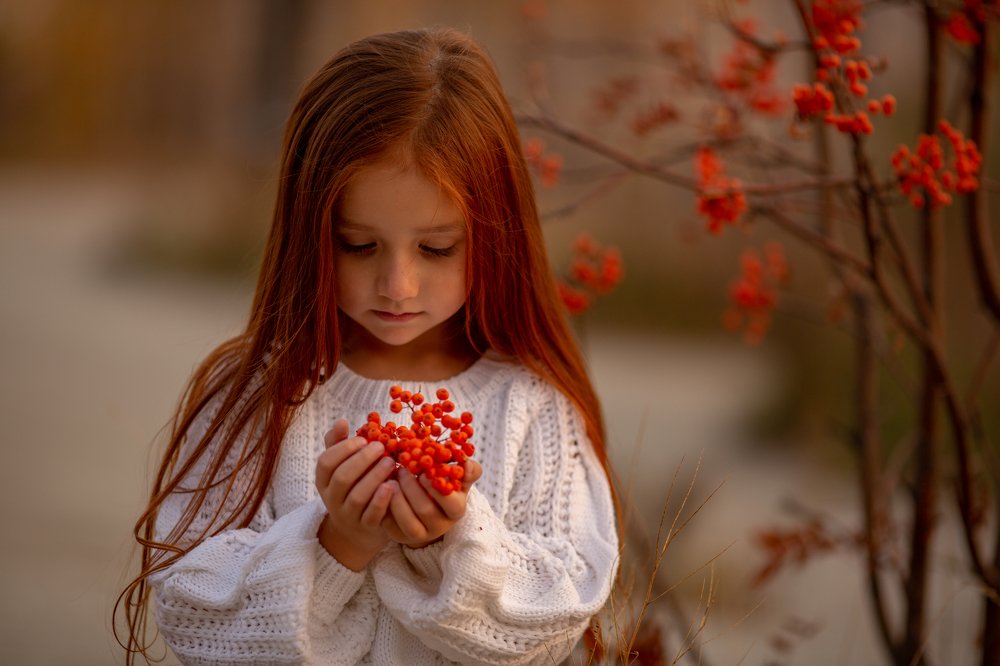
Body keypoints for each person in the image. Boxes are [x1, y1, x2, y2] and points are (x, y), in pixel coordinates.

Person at [116, 27, 619, 665]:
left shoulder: (533, 409)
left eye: (437, 248)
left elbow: (556, 623)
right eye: (359, 244)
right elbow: (195, 620)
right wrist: (334, 544)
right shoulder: (257, 397)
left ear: (496, 235)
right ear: (309, 231)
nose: (397, 285)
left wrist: (447, 540)